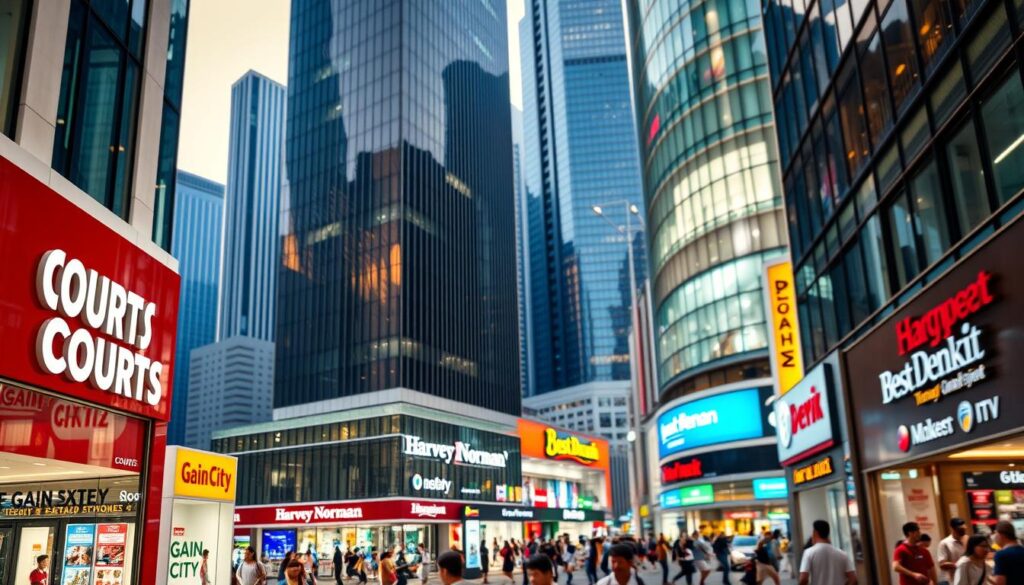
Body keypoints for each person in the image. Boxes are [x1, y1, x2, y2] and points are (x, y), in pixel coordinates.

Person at [798, 520, 856, 585]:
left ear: (815, 532)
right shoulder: (842, 554)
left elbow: (803, 579)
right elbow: (853, 578)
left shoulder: (809, 553)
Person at [992, 520, 1024, 585]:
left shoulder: (1001, 555)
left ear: (1001, 535)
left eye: (995, 533)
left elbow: (1000, 583)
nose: (994, 536)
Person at [937, 518, 967, 585]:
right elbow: (942, 564)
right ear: (953, 529)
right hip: (950, 580)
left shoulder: (967, 540)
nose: (963, 531)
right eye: (960, 529)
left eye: (964, 529)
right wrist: (960, 564)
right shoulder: (945, 543)